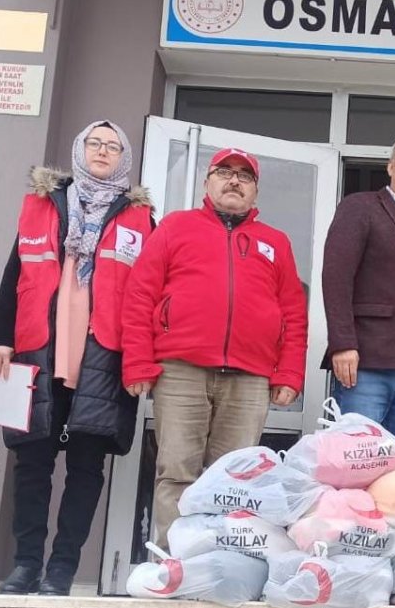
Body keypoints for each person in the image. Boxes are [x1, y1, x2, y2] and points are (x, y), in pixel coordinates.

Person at [0, 120, 154, 595]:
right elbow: (14, 272)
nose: (103, 152)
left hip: (104, 356)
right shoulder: (44, 204)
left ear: (124, 158)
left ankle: (61, 571)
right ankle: (25, 565)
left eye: (113, 146)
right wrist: (2, 336)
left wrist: (141, 359)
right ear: (80, 150)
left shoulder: (141, 217)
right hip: (37, 348)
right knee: (32, 463)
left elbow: (146, 295)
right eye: (95, 144)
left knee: (86, 468)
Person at [122, 147, 307, 551]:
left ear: (255, 191)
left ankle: (222, 566)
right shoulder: (175, 227)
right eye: (224, 172)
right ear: (208, 182)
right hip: (181, 370)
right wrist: (137, 362)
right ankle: (175, 563)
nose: (234, 181)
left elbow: (293, 312)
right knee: (177, 472)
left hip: (250, 377)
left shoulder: (275, 242)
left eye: (244, 176)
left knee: (236, 481)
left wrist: (289, 373)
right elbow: (140, 296)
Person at [322, 129, 395, 459]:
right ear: (390, 167)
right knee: (353, 468)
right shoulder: (360, 207)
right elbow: (336, 277)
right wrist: (343, 343)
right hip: (367, 365)